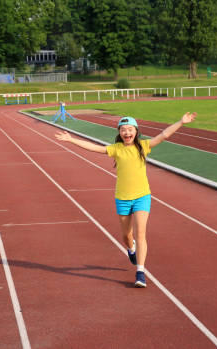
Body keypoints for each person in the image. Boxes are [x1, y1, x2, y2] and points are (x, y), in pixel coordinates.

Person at [54, 112, 197, 287]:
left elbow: (164, 135)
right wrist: (71, 140)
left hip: (142, 196)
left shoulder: (143, 147)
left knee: (140, 233)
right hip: (122, 198)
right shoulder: (116, 149)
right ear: (119, 133)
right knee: (126, 236)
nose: (127, 133)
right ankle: (131, 249)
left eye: (130, 129)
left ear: (136, 131)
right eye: (123, 130)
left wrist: (181, 122)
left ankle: (140, 272)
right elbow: (93, 147)